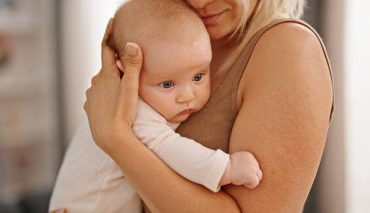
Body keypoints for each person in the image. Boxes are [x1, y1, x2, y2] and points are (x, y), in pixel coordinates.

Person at [82, 0, 334, 212]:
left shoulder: (290, 49)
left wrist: (114, 137)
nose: (200, 2)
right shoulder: (170, 30)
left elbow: (117, 130)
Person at [49, 0, 262, 212]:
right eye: (167, 84)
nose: (187, 96)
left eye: (198, 76)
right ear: (126, 74)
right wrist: (227, 168)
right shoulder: (133, 110)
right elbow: (175, 151)